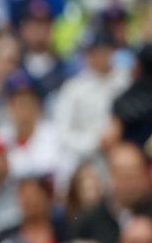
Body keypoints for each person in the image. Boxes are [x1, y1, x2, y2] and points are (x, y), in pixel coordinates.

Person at [52, 24, 130, 167]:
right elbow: (62, 133)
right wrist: (95, 142)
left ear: (112, 51)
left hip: (123, 155)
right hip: (86, 160)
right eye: (92, 52)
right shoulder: (73, 88)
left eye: (103, 51)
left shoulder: (126, 81)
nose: (98, 57)